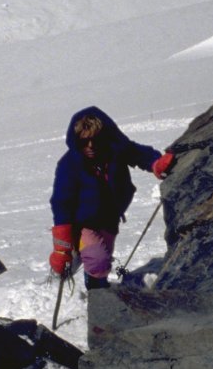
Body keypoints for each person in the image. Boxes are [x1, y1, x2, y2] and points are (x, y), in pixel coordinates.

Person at [48, 106, 174, 290]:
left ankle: (94, 276)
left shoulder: (114, 150)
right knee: (98, 259)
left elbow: (138, 154)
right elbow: (61, 203)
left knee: (102, 257)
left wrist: (156, 163)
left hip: (109, 216)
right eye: (84, 141)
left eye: (95, 140)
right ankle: (97, 292)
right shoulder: (69, 165)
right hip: (83, 223)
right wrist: (61, 248)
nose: (90, 146)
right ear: (76, 141)